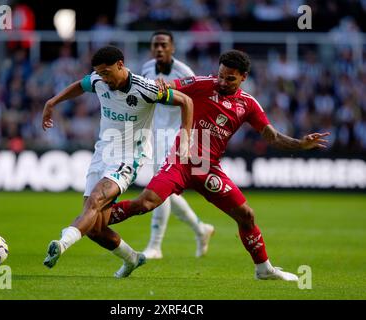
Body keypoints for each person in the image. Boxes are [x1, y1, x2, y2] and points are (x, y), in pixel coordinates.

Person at [108, 50, 330, 281]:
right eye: (221, 75)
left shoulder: (248, 104)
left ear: (243, 77)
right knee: (145, 203)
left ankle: (264, 269)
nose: (222, 81)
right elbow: (166, 86)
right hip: (181, 160)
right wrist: (161, 84)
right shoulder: (202, 84)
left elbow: (271, 136)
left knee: (246, 216)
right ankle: (97, 221)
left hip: (207, 167)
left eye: (230, 78)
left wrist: (300, 144)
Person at [42, 46, 194, 278]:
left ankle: (62, 243)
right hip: (102, 153)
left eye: (107, 72)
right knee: (95, 228)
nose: (103, 78)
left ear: (121, 65)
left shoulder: (146, 88)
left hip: (130, 157)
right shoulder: (98, 80)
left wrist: (185, 135)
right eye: (100, 73)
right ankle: (132, 258)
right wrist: (52, 102)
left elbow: (186, 101)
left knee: (95, 200)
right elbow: (80, 86)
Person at [140, 30, 214, 259]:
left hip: (175, 137)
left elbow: (195, 103)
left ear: (173, 48)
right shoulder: (146, 69)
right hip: (154, 135)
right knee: (168, 192)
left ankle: (155, 246)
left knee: (158, 187)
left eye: (164, 45)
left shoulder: (184, 73)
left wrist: (190, 138)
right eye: (156, 45)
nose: (159, 49)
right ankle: (200, 229)